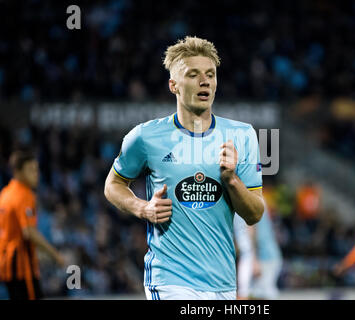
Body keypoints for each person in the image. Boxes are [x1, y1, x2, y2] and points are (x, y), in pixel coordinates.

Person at [104, 36, 265, 300]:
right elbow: (113, 184)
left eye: (210, 75)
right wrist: (142, 208)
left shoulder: (242, 135)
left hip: (223, 283)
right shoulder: (145, 137)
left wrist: (232, 180)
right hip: (169, 280)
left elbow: (254, 214)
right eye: (193, 75)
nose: (205, 82)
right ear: (173, 85)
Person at [0, 150, 65, 300]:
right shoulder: (25, 195)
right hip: (22, 265)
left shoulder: (5, 193)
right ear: (18, 172)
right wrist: (55, 255)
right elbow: (29, 232)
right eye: (31, 170)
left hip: (7, 264)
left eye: (37, 169)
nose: (36, 174)